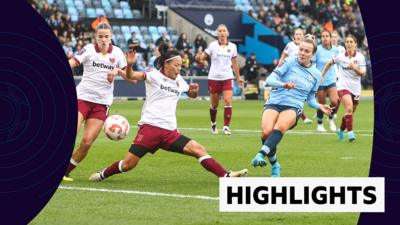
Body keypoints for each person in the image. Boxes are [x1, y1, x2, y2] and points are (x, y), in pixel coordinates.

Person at [88, 46, 248, 182]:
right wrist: (129, 66)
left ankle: (226, 176)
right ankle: (102, 175)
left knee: (198, 149)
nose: (179, 69)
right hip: (150, 129)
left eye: (180, 66)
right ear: (166, 64)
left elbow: (191, 95)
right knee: (128, 165)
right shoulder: (153, 75)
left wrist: (194, 92)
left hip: (170, 132)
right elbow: (131, 76)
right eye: (177, 65)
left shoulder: (179, 80)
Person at [251, 36, 332, 177]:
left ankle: (260, 154)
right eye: (300, 49)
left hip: (293, 106)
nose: (302, 53)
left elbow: (310, 99)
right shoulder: (289, 62)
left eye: (306, 51)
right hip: (274, 101)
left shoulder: (316, 75)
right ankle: (275, 163)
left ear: (312, 55)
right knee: (266, 132)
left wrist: (319, 106)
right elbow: (270, 80)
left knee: (280, 127)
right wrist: (283, 84)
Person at [64, 22, 134, 182]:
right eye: (100, 36)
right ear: (95, 37)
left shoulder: (117, 53)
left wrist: (118, 70)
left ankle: (65, 171)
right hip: (81, 98)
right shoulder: (88, 49)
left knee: (87, 142)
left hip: (101, 104)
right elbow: (73, 62)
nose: (103, 40)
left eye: (106, 37)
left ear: (111, 38)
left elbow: (130, 78)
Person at [195, 24, 243, 135]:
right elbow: (202, 57)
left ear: (227, 33)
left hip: (227, 77)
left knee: (228, 101)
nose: (222, 32)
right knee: (214, 105)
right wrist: (198, 57)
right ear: (217, 33)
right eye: (220, 31)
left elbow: (235, 63)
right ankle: (213, 124)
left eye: (224, 30)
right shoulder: (212, 46)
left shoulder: (233, 47)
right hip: (214, 78)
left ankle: (226, 127)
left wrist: (238, 77)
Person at [321, 34, 366, 142]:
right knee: (349, 107)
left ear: (355, 44)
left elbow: (363, 74)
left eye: (351, 42)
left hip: (356, 88)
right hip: (342, 86)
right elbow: (330, 62)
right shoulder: (340, 56)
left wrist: (355, 68)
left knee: (349, 111)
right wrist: (322, 75)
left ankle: (340, 130)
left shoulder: (360, 57)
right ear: (345, 44)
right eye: (347, 42)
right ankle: (350, 134)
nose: (349, 44)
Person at [278, 27, 313, 124]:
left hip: (301, 75)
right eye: (296, 34)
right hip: (289, 75)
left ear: (303, 36)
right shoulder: (290, 45)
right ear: (294, 36)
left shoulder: (305, 47)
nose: (298, 36)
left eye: (300, 34)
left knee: (296, 96)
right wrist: (279, 67)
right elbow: (283, 56)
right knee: (293, 96)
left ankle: (300, 116)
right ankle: (302, 117)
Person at [314, 29, 339, 132]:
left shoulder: (336, 50)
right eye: (323, 36)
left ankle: (331, 118)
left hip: (331, 79)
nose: (324, 38)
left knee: (334, 101)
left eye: (326, 36)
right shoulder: (317, 50)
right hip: (320, 81)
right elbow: (312, 64)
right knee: (322, 103)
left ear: (330, 38)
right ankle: (319, 124)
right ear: (321, 38)